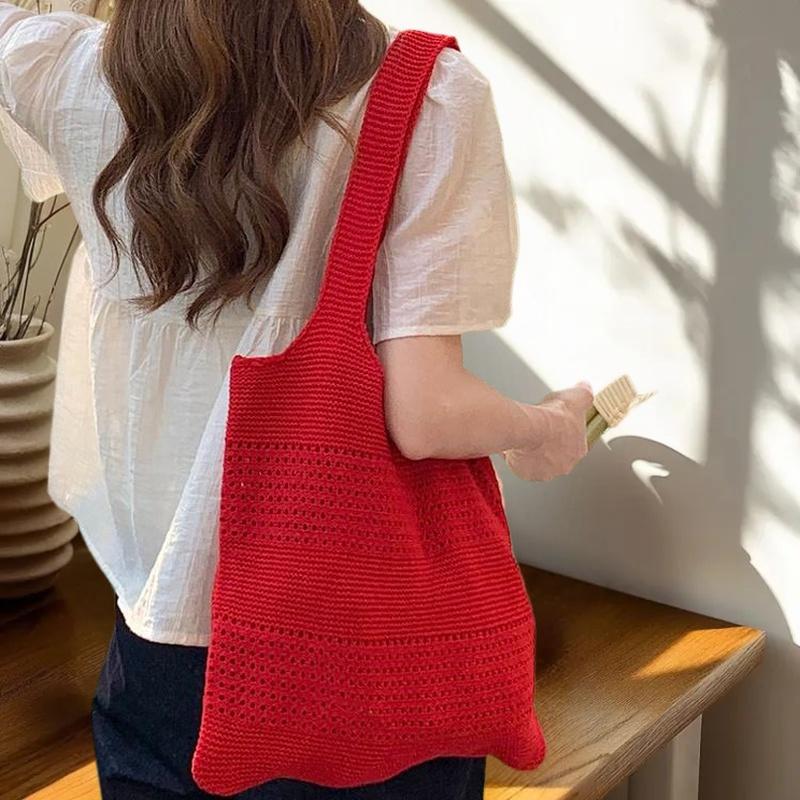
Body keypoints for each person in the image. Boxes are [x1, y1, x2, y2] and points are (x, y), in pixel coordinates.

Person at [0, 3, 594, 798]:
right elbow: (426, 415)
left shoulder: (72, 75)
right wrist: (545, 427)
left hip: (154, 658)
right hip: (356, 663)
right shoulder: (424, 95)